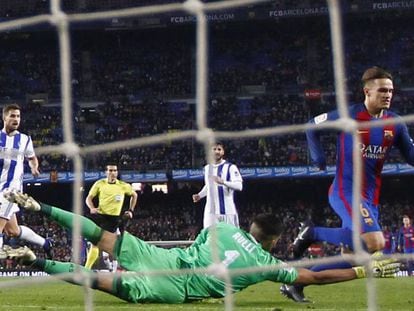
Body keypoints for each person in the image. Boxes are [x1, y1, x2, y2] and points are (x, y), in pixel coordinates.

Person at [3, 189, 400, 304]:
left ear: (249, 225)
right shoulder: (263, 263)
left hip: (163, 257)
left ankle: (41, 207)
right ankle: (37, 257)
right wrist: (362, 270)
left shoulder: (221, 230)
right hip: (175, 287)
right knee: (97, 280)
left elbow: (206, 238)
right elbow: (313, 275)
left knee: (99, 235)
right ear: (273, 240)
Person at [282, 67, 414, 301]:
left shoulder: (396, 123)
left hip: (370, 198)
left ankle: (296, 282)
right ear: (367, 91)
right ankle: (313, 232)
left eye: (391, 91)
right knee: (376, 241)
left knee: (356, 256)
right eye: (383, 90)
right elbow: (312, 126)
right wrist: (318, 158)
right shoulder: (348, 115)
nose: (388, 95)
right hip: (345, 191)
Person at [0, 103, 53, 258]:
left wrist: (34, 167)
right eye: (12, 116)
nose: (16, 119)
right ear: (4, 118)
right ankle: (45, 243)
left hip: (10, 192)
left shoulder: (24, 140)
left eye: (18, 116)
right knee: (13, 231)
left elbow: (32, 157)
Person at [84, 164, 138, 272]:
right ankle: (90, 269)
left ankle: (96, 268)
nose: (112, 173)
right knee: (96, 243)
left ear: (117, 172)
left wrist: (131, 210)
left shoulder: (123, 186)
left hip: (113, 219)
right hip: (100, 216)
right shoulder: (100, 184)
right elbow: (88, 198)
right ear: (106, 172)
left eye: (115, 170)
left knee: (99, 243)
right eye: (110, 170)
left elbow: (134, 195)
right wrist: (92, 208)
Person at [192, 142, 243, 228]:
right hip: (210, 213)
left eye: (219, 149)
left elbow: (239, 186)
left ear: (223, 152)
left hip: (227, 211)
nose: (216, 152)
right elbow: (208, 186)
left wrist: (223, 182)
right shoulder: (207, 168)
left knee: (230, 238)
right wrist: (200, 195)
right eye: (214, 149)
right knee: (210, 238)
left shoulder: (231, 167)